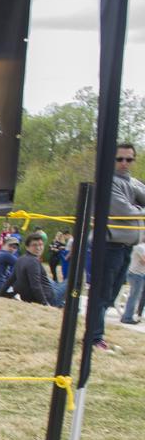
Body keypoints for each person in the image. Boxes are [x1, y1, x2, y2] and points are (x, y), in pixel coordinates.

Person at [87, 143, 145, 351]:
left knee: (111, 296)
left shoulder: (134, 182)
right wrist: (138, 207)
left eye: (128, 159)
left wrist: (136, 205)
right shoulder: (107, 182)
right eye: (119, 159)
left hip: (126, 246)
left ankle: (97, 336)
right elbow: (125, 210)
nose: (123, 163)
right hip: (109, 245)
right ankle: (94, 338)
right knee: (101, 294)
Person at [9, 232, 66, 307]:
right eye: (34, 245)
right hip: (49, 298)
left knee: (51, 281)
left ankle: (62, 304)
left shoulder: (21, 259)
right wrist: (46, 305)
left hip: (34, 296)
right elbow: (35, 286)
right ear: (27, 247)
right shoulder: (34, 262)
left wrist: (1, 294)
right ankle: (70, 307)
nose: (39, 248)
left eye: (41, 245)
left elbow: (11, 279)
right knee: (72, 280)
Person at [121, 237, 145, 324]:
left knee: (136, 296)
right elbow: (144, 260)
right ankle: (127, 317)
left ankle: (133, 315)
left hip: (141, 275)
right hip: (135, 275)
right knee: (133, 297)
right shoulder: (140, 247)